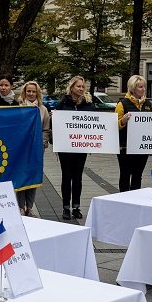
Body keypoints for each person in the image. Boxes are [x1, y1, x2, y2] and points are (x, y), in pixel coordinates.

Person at [55, 76, 94, 220]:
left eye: (83, 86)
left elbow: (95, 122)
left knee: (77, 177)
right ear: (72, 87)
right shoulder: (63, 103)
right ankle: (66, 207)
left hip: (80, 148)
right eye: (78, 86)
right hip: (65, 148)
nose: (81, 89)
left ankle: (76, 207)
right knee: (66, 177)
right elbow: (56, 123)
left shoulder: (88, 104)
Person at [115, 75, 152, 192]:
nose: (143, 89)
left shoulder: (147, 104)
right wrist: (123, 121)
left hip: (141, 147)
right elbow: (113, 126)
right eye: (140, 87)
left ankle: (135, 200)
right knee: (125, 175)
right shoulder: (122, 103)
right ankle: (123, 199)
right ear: (132, 88)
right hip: (125, 147)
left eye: (144, 87)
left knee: (137, 175)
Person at [17, 81, 50, 216]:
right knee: (21, 177)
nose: (31, 94)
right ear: (24, 92)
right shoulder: (18, 108)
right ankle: (20, 206)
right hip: (21, 149)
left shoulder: (43, 109)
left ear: (37, 93)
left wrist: (42, 144)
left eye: (33, 91)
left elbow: (46, 129)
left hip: (36, 149)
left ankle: (29, 207)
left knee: (33, 177)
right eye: (28, 91)